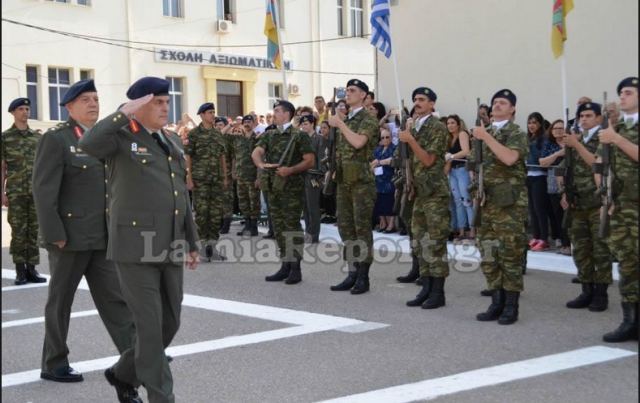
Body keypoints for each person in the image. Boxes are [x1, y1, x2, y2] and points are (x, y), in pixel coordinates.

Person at [80, 76, 200, 403]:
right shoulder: (120, 138)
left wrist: (191, 241)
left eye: (166, 101)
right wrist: (122, 113)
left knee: (169, 324)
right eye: (156, 102)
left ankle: (122, 374)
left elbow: (180, 197)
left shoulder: (170, 141)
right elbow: (88, 144)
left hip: (170, 245)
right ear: (138, 106)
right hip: (134, 249)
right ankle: (163, 398)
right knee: (149, 327)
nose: (165, 107)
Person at [32, 79, 137, 391]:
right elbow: (43, 190)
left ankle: (138, 356)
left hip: (102, 237)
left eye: (96, 98)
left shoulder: (104, 139)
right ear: (69, 107)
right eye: (86, 100)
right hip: (70, 238)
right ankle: (54, 363)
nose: (93, 104)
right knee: (60, 302)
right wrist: (54, 234)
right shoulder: (57, 139)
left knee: (116, 300)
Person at [470, 89, 528, 325]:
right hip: (487, 202)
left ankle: (511, 306)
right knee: (489, 254)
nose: (497, 106)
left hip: (509, 205)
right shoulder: (485, 134)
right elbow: (475, 165)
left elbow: (510, 158)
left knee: (510, 255)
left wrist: (486, 137)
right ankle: (496, 301)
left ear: (513, 108)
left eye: (503, 103)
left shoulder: (517, 133)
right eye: (495, 103)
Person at [398, 87, 451, 309]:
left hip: (435, 193)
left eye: (422, 100)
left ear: (432, 104)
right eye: (415, 99)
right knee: (420, 241)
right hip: (420, 192)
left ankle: (438, 292)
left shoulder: (436, 127)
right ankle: (426, 287)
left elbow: (428, 160)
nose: (417, 103)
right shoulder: (416, 126)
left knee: (435, 242)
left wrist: (410, 140)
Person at [252, 100, 314, 284]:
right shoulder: (269, 134)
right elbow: (256, 152)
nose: (274, 114)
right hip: (274, 187)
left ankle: (296, 268)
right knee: (278, 227)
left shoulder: (299, 136)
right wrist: (261, 165)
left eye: (277, 111)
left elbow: (309, 160)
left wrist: (290, 170)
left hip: (292, 189)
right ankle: (285, 265)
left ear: (287, 114)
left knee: (291, 226)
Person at [596, 77, 638, 342]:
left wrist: (617, 139)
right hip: (621, 206)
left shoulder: (616, 132)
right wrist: (604, 192)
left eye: (628, 92)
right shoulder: (616, 127)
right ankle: (630, 321)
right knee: (627, 263)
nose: (622, 97)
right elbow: (600, 163)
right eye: (620, 93)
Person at [328, 79, 379, 295]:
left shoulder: (368, 119)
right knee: (345, 227)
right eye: (347, 90)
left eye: (353, 91)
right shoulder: (348, 120)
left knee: (361, 228)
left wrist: (340, 124)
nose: (347, 94)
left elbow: (359, 143)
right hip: (344, 181)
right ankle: (352, 271)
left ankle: (363, 276)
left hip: (361, 183)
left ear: (364, 96)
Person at [562, 102, 613, 312]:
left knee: (600, 250)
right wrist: (566, 192)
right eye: (581, 116)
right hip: (578, 202)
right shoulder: (578, 138)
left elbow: (596, 164)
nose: (583, 119)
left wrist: (575, 144)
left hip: (596, 202)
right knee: (581, 249)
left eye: (589, 115)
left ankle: (601, 294)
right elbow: (570, 168)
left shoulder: (604, 138)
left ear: (599, 118)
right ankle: (586, 290)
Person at [1, 98, 46, 285]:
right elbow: (2, 167)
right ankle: (20, 271)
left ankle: (32, 270)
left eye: (27, 108)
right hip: (16, 193)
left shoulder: (37, 138)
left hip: (35, 192)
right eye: (21, 109)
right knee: (19, 231)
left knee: (34, 231)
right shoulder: (5, 138)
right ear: (13, 112)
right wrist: (2, 193)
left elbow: (44, 167)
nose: (25, 112)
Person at [185, 102, 228, 261]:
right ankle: (202, 249)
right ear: (202, 115)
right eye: (210, 112)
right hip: (200, 180)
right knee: (202, 214)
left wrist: (224, 177)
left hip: (216, 180)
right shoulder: (194, 134)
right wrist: (188, 178)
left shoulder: (218, 134)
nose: (213, 115)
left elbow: (222, 157)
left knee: (216, 214)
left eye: (213, 112)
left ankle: (213, 247)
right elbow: (188, 156)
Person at [538, 119, 571, 255]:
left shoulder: (571, 143)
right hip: (553, 182)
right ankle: (563, 242)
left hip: (571, 180)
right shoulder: (549, 144)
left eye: (561, 128)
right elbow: (542, 162)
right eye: (555, 128)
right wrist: (558, 153)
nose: (558, 130)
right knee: (558, 214)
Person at [444, 114, 474, 241]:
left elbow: (466, 151)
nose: (450, 125)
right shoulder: (449, 138)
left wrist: (451, 156)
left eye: (452, 123)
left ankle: (472, 230)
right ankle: (461, 230)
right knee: (457, 201)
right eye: (448, 123)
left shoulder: (463, 134)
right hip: (453, 171)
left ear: (458, 124)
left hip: (462, 169)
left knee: (466, 200)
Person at [526, 112, 551, 251]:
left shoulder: (543, 139)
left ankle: (544, 238)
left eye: (534, 122)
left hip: (539, 176)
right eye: (529, 122)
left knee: (540, 209)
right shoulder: (529, 138)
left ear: (540, 124)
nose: (531, 125)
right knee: (532, 209)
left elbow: (540, 158)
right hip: (529, 176)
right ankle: (535, 236)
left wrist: (530, 148)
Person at [300, 114, 326, 243]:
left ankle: (313, 234)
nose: (303, 126)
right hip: (302, 176)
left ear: (312, 124)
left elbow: (322, 159)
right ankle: (308, 231)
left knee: (313, 207)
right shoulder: (301, 139)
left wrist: (320, 175)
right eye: (302, 124)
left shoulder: (319, 139)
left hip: (313, 176)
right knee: (305, 206)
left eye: (306, 124)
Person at [233, 115, 260, 236]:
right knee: (243, 201)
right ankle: (247, 226)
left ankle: (254, 227)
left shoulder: (258, 138)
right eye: (245, 122)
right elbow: (235, 156)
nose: (247, 124)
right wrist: (234, 171)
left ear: (254, 123)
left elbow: (261, 158)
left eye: (249, 122)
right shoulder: (238, 139)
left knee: (254, 201)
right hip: (240, 176)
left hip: (253, 175)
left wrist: (259, 176)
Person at [371, 128, 397, 233]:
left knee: (389, 202)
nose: (385, 139)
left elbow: (392, 161)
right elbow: (372, 162)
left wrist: (379, 162)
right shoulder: (377, 149)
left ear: (391, 138)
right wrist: (373, 165)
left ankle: (391, 225)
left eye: (387, 137)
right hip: (378, 180)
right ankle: (383, 223)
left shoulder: (395, 148)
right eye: (383, 137)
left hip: (389, 179)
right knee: (379, 202)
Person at [319, 121, 337, 224]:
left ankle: (332, 214)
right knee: (323, 193)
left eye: (325, 127)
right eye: (321, 128)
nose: (322, 130)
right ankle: (327, 213)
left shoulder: (332, 141)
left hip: (331, 170)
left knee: (330, 193)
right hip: (323, 170)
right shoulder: (320, 141)